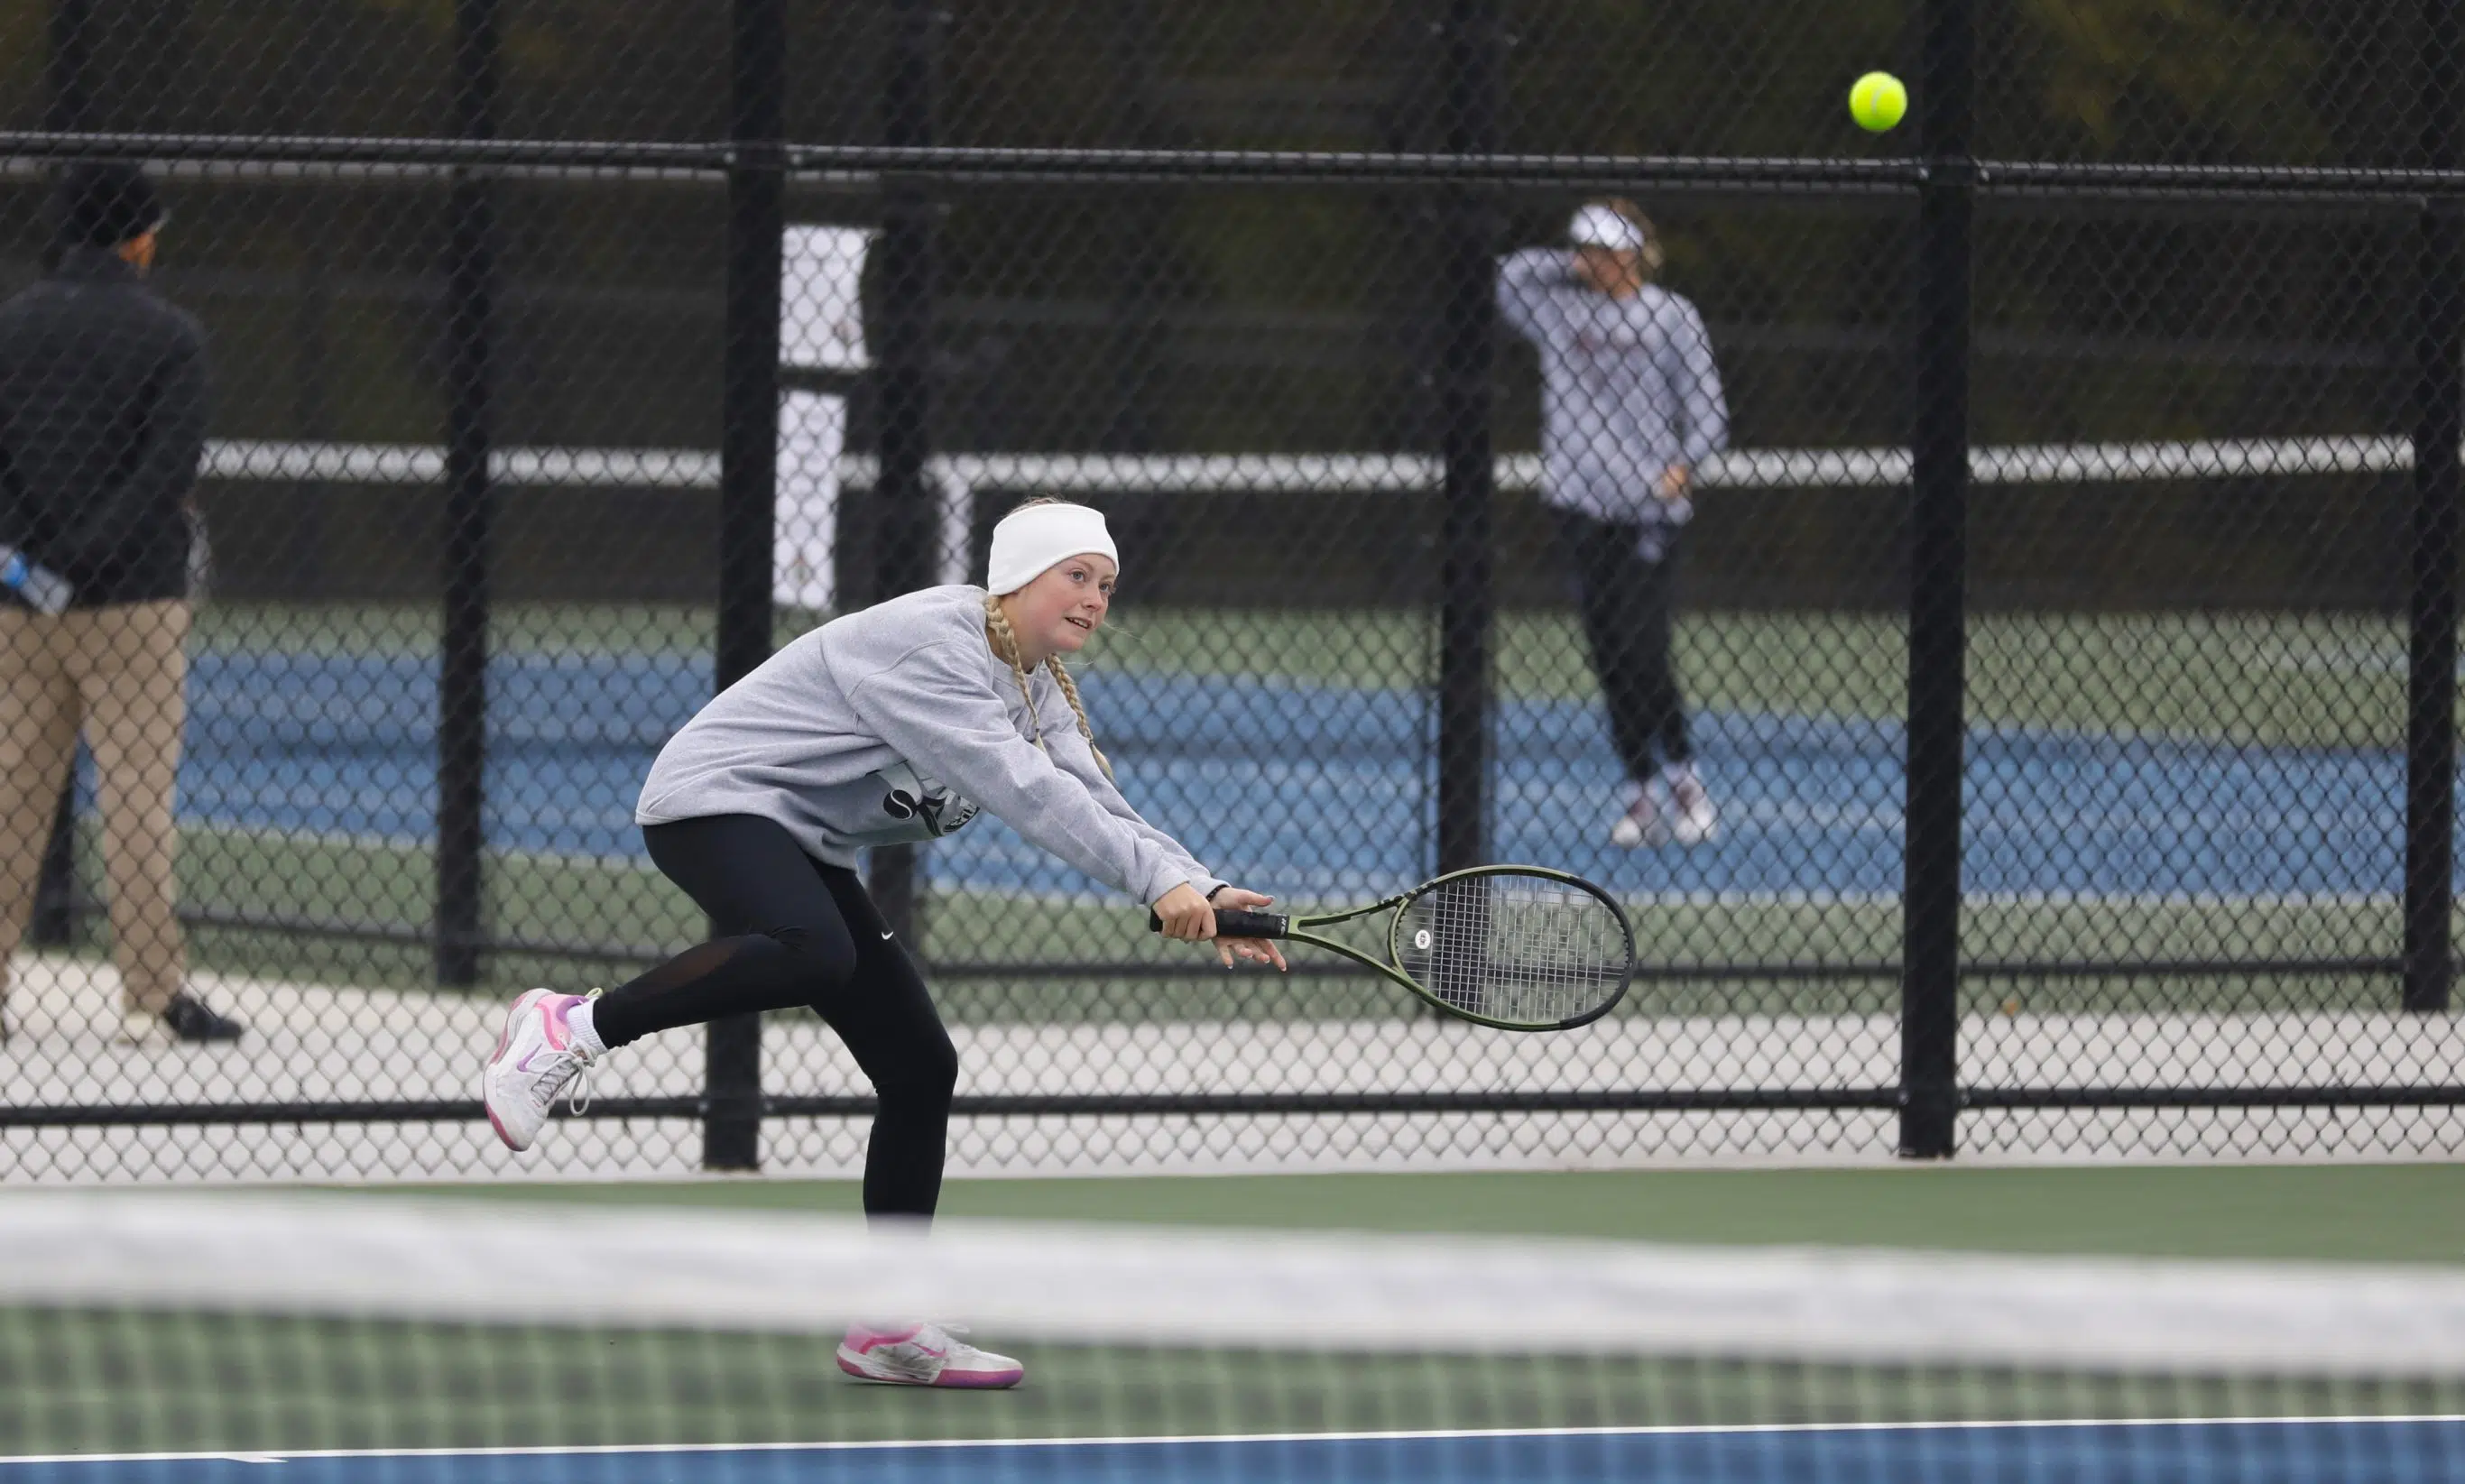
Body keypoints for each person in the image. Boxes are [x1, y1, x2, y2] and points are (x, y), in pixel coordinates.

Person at [480, 498, 1285, 1389]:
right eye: (1076, 575)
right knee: (814, 950)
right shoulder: (936, 647)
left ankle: (889, 1324)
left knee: (917, 1064)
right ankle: (571, 1027)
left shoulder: (1039, 683)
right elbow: (1023, 790)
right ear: (1017, 577)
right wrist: (1151, 883)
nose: (1095, 598)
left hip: (799, 836)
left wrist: (1198, 885)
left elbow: (1093, 798)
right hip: (713, 801)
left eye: (1106, 584)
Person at [0, 161, 242, 1043]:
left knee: (11, 794)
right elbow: (164, 468)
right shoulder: (169, 334)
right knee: (137, 794)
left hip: (22, 603)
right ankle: (151, 991)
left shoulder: (12, 327)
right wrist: (93, 552)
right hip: (133, 599)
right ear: (137, 235)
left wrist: (34, 556)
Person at [1497, 198, 1731, 848]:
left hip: (1648, 512)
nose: (1591, 261)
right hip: (1578, 507)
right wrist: (1567, 259)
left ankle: (1684, 775)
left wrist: (1687, 464)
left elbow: (1709, 412)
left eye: (1605, 250)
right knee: (1606, 653)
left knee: (1643, 646)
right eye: (1585, 250)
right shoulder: (1560, 308)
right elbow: (1506, 277)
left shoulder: (1671, 317)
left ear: (1633, 253)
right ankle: (1640, 788)